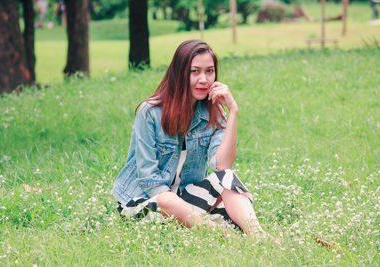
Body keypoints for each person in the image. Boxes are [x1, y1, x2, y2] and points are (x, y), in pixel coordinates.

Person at [112, 40, 269, 239]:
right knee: (169, 203)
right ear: (179, 73)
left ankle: (259, 236)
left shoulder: (213, 112)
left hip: (186, 201)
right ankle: (219, 233)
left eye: (209, 71)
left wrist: (233, 113)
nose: (204, 79)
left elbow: (222, 166)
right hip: (146, 202)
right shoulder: (149, 113)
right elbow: (149, 181)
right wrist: (188, 212)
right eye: (195, 71)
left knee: (227, 179)